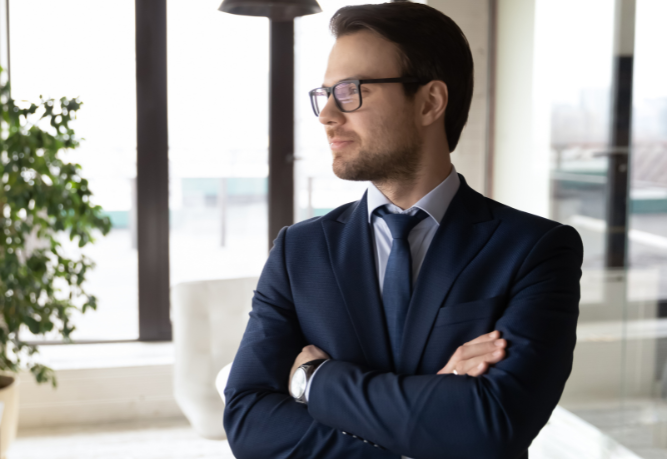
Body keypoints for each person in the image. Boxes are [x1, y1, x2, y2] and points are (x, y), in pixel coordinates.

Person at [223, 3, 583, 459]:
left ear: (430, 101)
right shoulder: (300, 250)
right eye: (326, 93)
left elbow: (494, 426)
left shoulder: (535, 249)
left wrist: (314, 381)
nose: (328, 114)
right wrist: (429, 429)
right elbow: (249, 421)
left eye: (351, 91)